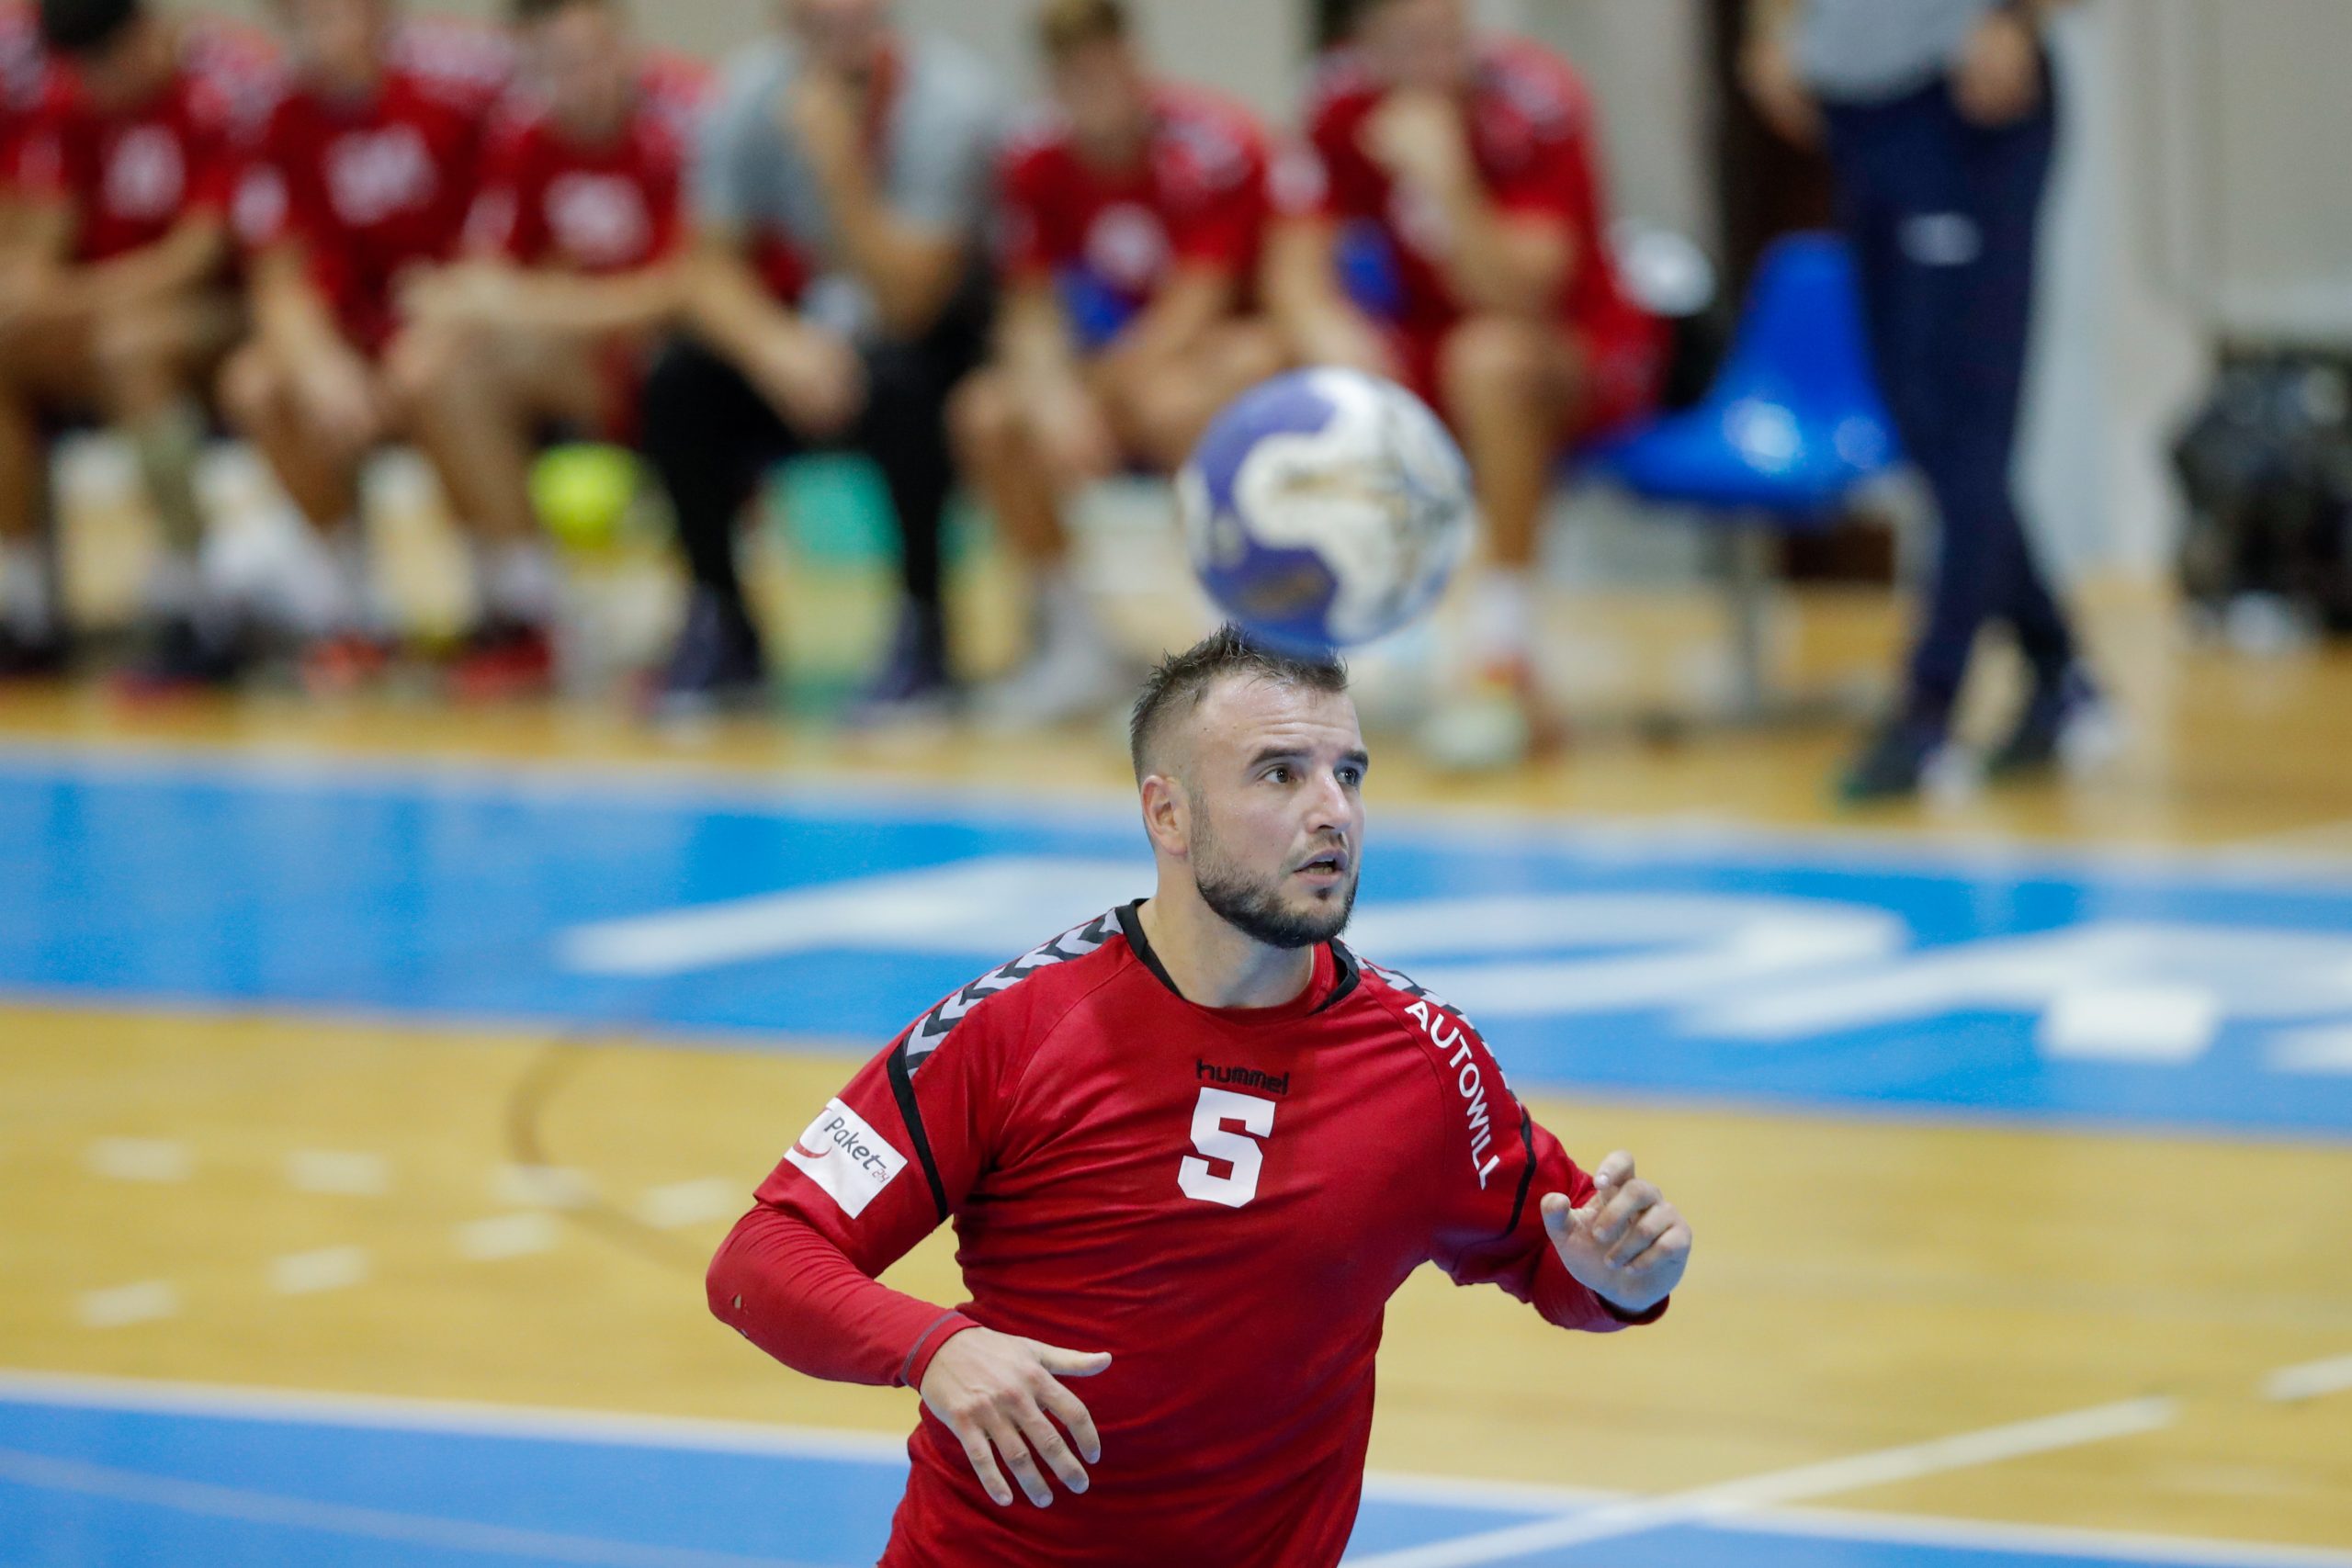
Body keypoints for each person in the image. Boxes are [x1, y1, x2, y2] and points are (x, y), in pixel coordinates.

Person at [707, 626, 1690, 1565]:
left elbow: (1558, 1259)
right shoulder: (1016, 1027)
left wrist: (1626, 1280)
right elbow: (762, 1256)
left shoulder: (1428, 1058)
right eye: (1280, 774)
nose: (1333, 812)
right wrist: (935, 1348)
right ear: (1167, 814)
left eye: (1348, 774)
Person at [1267, 0, 1663, 770]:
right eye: (1412, 42)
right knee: (1267, 365)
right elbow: (1293, 271)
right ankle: (1282, 648)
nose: (1438, 61)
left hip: (1580, 346)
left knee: (1490, 360)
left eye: (1450, 36)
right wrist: (1328, 332)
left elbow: (1521, 296)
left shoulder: (1538, 100)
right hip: (1435, 341)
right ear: (1365, 44)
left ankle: (1502, 659)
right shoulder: (1337, 105)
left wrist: (1447, 179)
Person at [1742, 0, 2111, 800]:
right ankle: (2056, 668)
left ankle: (1928, 705)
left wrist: (2017, 19)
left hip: (1964, 98)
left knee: (1964, 424)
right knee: (1920, 422)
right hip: (1856, 105)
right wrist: (1771, 28)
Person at [643, 0, 1001, 721]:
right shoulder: (747, 93)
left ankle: (924, 622)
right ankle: (721, 612)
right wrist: (773, 347)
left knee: (906, 383)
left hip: (927, 341)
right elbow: (706, 267)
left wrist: (837, 165)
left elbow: (910, 302)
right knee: (678, 379)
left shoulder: (950, 102)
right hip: (807, 340)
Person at [950, 0, 1283, 728]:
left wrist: (1093, 394)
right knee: (987, 414)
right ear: (1053, 82)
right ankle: (1076, 641)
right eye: (1074, 76)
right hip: (1107, 372)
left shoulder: (1212, 144)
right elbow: (1030, 308)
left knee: (1182, 400)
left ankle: (1228, 646)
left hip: (1208, 360)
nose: (1093, 91)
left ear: (1135, 62)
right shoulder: (1033, 162)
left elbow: (1198, 301)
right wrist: (1050, 396)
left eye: (1104, 69)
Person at [397, 0, 689, 701]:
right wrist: (425, 345)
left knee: (664, 372)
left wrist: (530, 302)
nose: (578, 80)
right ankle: (527, 608)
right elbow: (483, 276)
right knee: (433, 375)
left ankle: (689, 611)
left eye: (590, 57)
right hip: (585, 360)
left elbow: (684, 292)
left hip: (677, 364)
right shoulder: (525, 138)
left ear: (625, 46)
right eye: (555, 66)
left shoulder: (679, 125)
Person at [219, 0, 489, 692]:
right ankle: (347, 607)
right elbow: (276, 272)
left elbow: (506, 236)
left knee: (439, 378)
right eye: (299, 20)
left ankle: (510, 604)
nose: (315, 35)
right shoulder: (273, 116)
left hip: (457, 318)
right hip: (352, 330)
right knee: (257, 385)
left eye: (330, 14)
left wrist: (438, 334)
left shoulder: (461, 85)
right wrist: (319, 364)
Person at [0, 0, 249, 681]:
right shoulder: (71, 102)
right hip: (107, 310)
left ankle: (197, 604)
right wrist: (27, 295)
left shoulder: (218, 91)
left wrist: (64, 300)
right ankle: (23, 604)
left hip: (219, 316)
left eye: (100, 67)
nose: (89, 85)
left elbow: (196, 257)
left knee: (131, 349)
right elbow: (45, 233)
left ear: (140, 39)